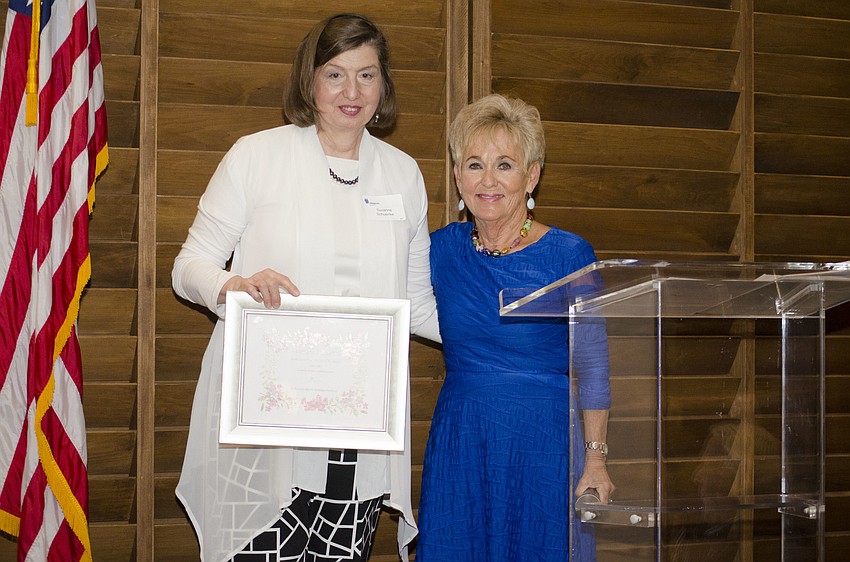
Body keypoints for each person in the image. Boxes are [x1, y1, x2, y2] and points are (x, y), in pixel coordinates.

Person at [172, 14, 439, 562]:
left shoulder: (403, 175)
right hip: (266, 431)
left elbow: (416, 307)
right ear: (309, 80)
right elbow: (188, 266)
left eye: (367, 75)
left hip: (357, 435)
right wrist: (236, 284)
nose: (352, 92)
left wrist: (505, 330)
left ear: (383, 85)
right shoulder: (256, 156)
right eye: (335, 74)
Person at [415, 94, 614, 561]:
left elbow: (594, 367)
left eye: (504, 165)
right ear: (458, 176)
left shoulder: (569, 255)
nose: (488, 180)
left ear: (532, 175)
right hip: (462, 439)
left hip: (542, 443)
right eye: (474, 165)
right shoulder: (439, 250)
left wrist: (596, 458)